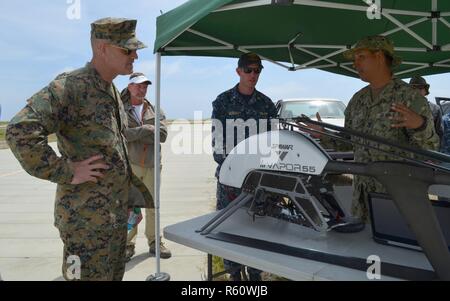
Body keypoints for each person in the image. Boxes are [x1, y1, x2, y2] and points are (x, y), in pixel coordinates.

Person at [5, 18, 152, 281]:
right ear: (103, 48)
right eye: (127, 50)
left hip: (115, 219)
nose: (135, 55)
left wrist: (130, 200)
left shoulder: (112, 92)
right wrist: (66, 170)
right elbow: (20, 130)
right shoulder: (71, 87)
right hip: (86, 227)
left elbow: (113, 148)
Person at [305, 36, 439, 223]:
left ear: (379, 57)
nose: (355, 64)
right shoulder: (357, 100)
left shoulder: (409, 97)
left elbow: (431, 149)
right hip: (362, 200)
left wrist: (420, 125)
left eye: (360, 57)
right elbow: (348, 142)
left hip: (397, 199)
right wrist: (324, 134)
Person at [211, 52, 278, 281]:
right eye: (248, 70)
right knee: (230, 230)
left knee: (257, 229)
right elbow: (218, 145)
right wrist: (236, 170)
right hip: (231, 181)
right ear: (238, 71)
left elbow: (273, 144)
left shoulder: (267, 105)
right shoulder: (222, 102)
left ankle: (256, 273)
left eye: (257, 70)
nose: (253, 75)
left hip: (259, 183)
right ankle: (235, 275)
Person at [120, 72, 171, 261]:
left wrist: (138, 132)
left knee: (153, 206)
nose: (143, 89)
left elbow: (163, 135)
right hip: (131, 165)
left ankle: (154, 241)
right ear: (130, 86)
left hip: (152, 165)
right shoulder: (120, 109)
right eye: (139, 85)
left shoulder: (154, 110)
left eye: (145, 86)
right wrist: (147, 129)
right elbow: (123, 134)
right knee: (131, 206)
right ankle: (127, 244)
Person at [409, 76, 444, 144]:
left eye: (420, 88)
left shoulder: (435, 109)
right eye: (413, 88)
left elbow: (439, 132)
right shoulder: (404, 107)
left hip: (427, 148)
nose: (417, 91)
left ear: (425, 90)